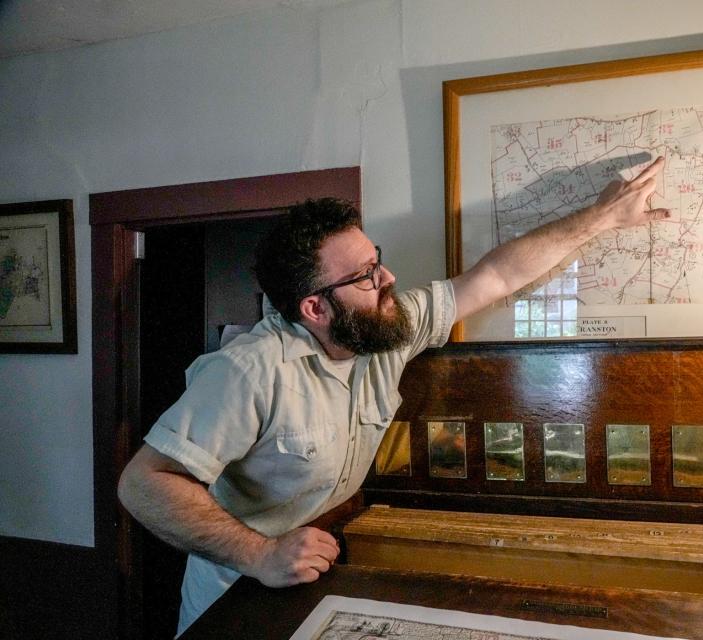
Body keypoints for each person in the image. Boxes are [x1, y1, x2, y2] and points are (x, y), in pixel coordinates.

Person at [118, 157, 669, 635]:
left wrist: (604, 216)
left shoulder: (386, 330)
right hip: (234, 594)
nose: (389, 278)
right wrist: (259, 554)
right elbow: (143, 484)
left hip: (316, 570)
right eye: (365, 276)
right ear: (315, 308)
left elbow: (496, 276)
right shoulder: (249, 371)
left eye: (375, 260)